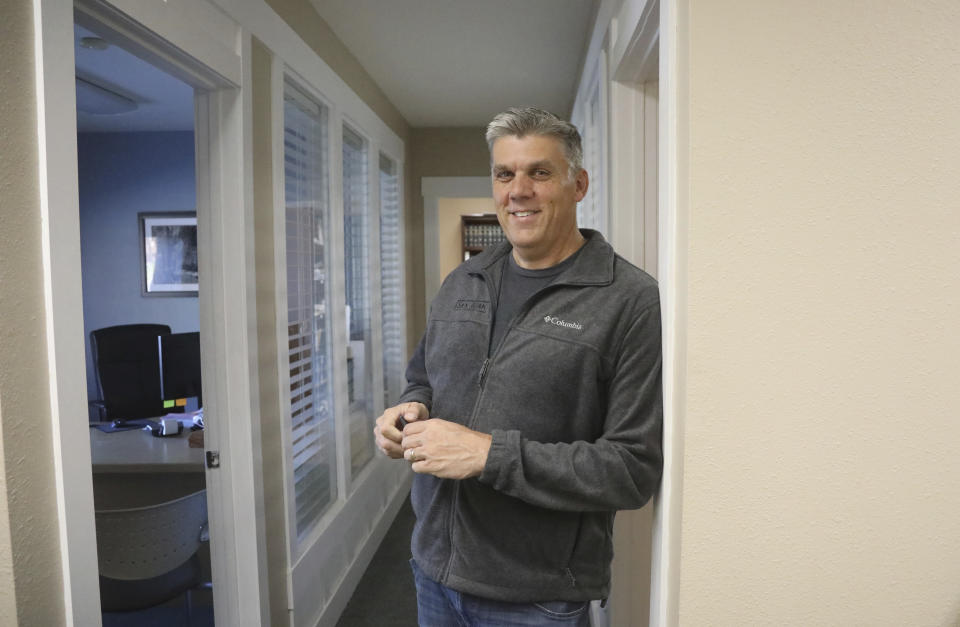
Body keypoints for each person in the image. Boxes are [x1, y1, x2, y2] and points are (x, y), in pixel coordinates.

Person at [374, 107, 663, 626]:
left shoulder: (629, 301)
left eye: (540, 173)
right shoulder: (464, 280)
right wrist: (408, 410)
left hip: (536, 598)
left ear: (579, 185)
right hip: (433, 571)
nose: (518, 190)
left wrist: (489, 456)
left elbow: (631, 469)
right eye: (505, 174)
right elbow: (423, 377)